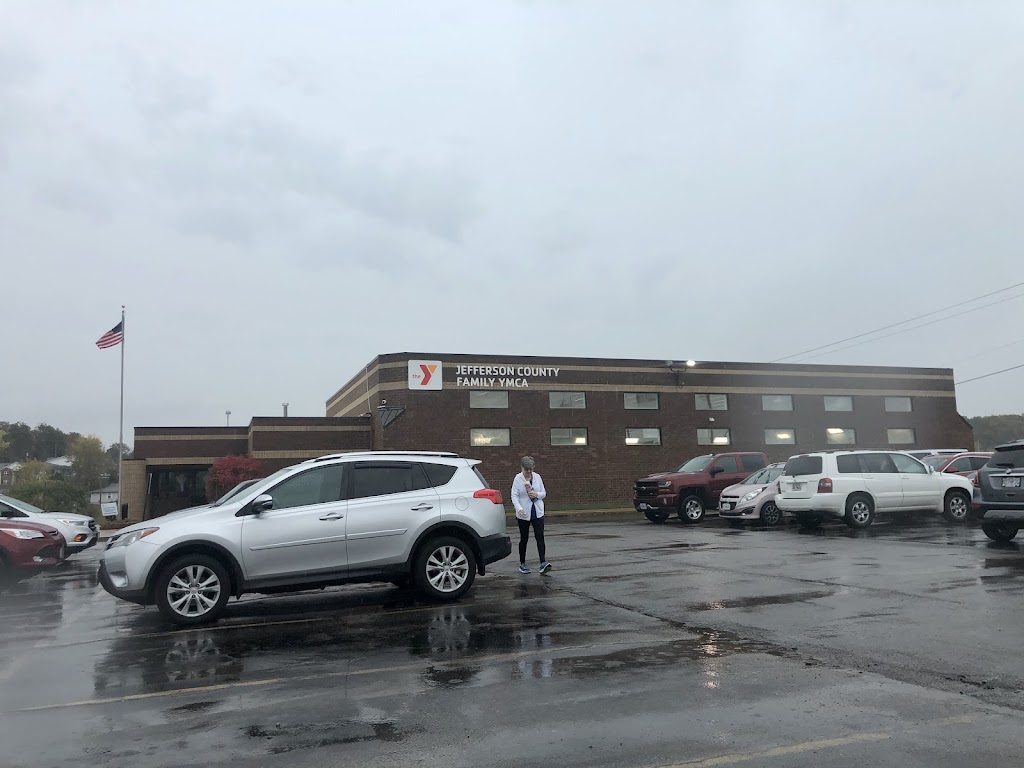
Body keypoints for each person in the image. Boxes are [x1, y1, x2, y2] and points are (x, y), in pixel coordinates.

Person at [511, 456, 550, 574]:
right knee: (524, 538)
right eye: (526, 470)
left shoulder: (537, 477)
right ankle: (522, 564)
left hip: (537, 512)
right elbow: (514, 495)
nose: (528, 472)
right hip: (524, 513)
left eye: (530, 470)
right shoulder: (518, 479)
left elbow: (543, 493)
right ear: (522, 468)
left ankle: (543, 563)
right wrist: (519, 508)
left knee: (540, 537)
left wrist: (536, 494)